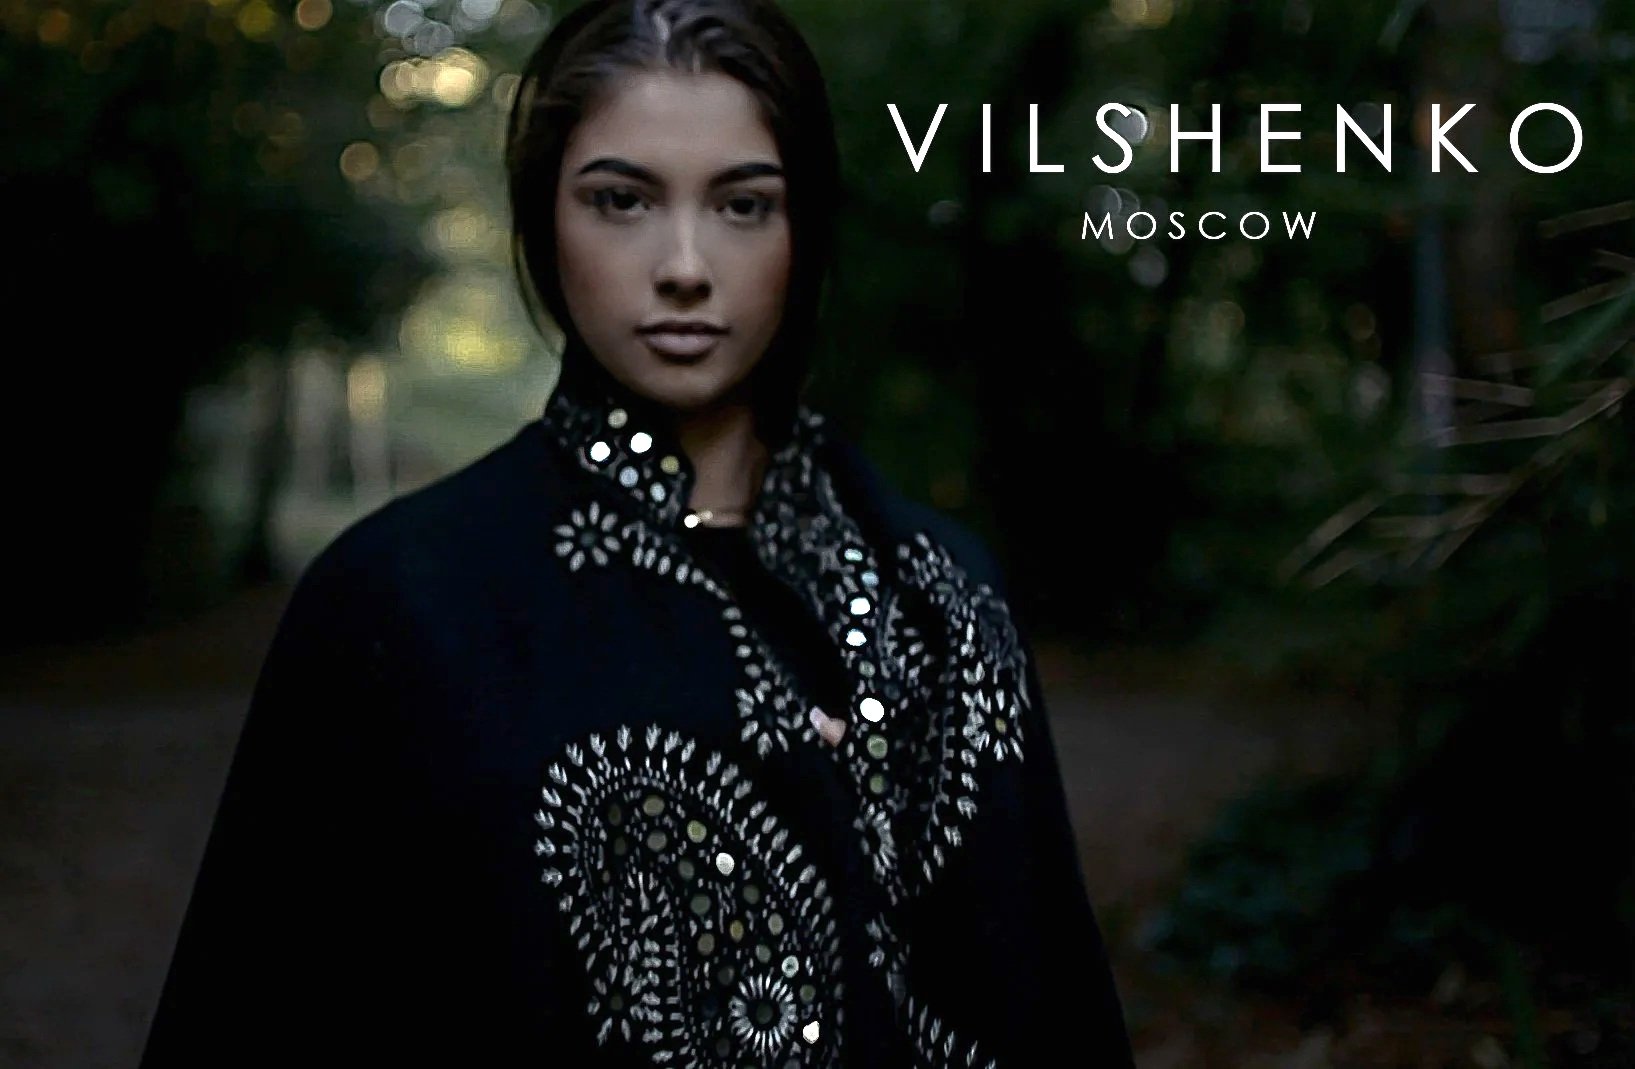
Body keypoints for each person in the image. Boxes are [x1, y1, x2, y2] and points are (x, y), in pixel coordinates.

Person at [139, 1, 1135, 1065]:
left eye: (746, 205)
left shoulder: (939, 593)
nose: (685, 265)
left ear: (808, 229)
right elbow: (264, 1005)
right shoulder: (400, 598)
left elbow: (1040, 1000)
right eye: (621, 201)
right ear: (543, 219)